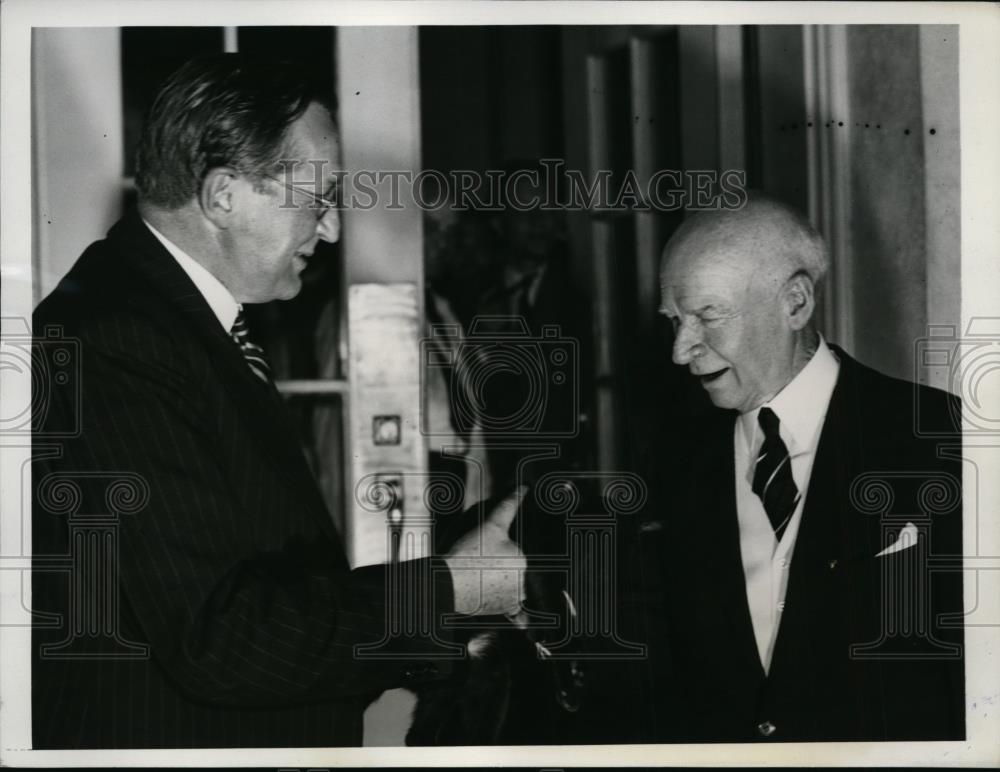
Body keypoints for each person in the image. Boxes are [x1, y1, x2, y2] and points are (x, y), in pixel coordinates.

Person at [31, 54, 525, 748]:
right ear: (225, 194)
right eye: (317, 197)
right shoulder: (118, 340)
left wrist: (447, 609)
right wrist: (450, 590)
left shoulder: (173, 323)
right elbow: (221, 638)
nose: (331, 230)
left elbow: (255, 585)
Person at [636, 194, 964, 742]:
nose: (680, 349)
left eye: (707, 315)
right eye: (674, 320)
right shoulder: (671, 461)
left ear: (795, 302)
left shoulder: (941, 435)